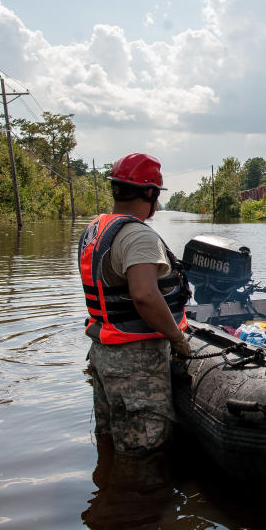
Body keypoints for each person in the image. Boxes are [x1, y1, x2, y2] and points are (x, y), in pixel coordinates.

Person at [79, 153, 192, 456]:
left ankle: (107, 494)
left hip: (104, 353)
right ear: (151, 193)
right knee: (145, 454)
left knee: (110, 442)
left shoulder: (97, 227)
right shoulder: (138, 235)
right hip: (135, 361)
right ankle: (138, 502)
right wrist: (177, 338)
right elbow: (144, 295)